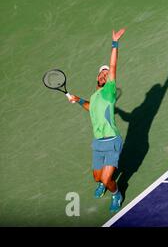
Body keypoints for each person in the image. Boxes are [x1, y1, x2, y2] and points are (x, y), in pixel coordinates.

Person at [68, 28, 126, 213]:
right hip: (98, 143)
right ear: (97, 77)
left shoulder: (109, 90)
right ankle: (102, 183)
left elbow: (114, 66)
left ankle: (116, 194)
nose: (104, 74)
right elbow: (90, 107)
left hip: (111, 141)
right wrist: (78, 100)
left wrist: (115, 43)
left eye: (106, 73)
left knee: (108, 179)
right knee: (97, 178)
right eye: (101, 73)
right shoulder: (94, 97)